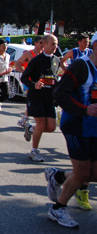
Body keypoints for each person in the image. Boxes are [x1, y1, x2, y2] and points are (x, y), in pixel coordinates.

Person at [44, 32, 97, 228]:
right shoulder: (81, 66)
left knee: (94, 173)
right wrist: (85, 109)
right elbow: (58, 94)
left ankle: (57, 176)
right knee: (82, 173)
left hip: (94, 127)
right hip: (76, 125)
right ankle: (57, 209)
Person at [21, 34, 60, 162]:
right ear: (44, 44)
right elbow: (24, 77)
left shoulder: (57, 60)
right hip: (36, 97)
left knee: (51, 127)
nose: (55, 46)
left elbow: (55, 78)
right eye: (53, 43)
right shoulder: (36, 60)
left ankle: (30, 128)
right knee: (41, 124)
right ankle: (34, 151)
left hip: (49, 99)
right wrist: (34, 84)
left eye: (56, 44)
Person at [15, 36, 44, 129]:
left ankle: (24, 119)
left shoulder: (43, 54)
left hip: (39, 81)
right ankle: (24, 119)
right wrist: (24, 72)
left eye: (43, 43)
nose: (42, 45)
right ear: (35, 43)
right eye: (40, 42)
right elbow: (17, 63)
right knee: (32, 100)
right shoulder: (29, 53)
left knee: (35, 100)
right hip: (29, 81)